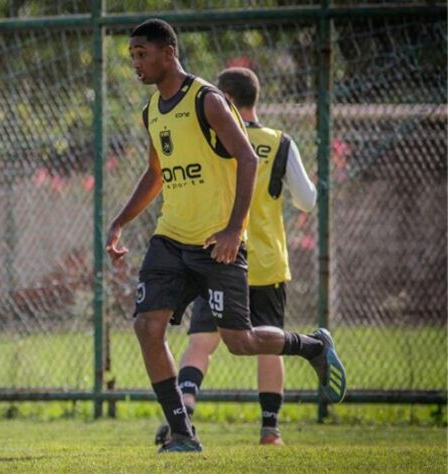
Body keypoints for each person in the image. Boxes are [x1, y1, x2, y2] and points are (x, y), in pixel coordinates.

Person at [106, 19, 346, 453]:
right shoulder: (151, 111)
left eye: (142, 54)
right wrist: (119, 221)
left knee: (241, 342)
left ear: (169, 52)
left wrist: (235, 229)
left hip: (217, 245)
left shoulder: (208, 100)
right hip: (170, 239)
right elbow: (156, 172)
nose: (136, 64)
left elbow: (248, 158)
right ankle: (182, 432)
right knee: (147, 326)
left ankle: (311, 346)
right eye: (132, 56)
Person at [153, 67, 319, 447]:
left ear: (223, 98)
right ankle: (270, 429)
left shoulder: (212, 137)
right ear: (254, 98)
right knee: (267, 342)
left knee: (201, 342)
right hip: (264, 263)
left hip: (217, 257)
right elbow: (307, 201)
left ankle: (186, 404)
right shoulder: (280, 143)